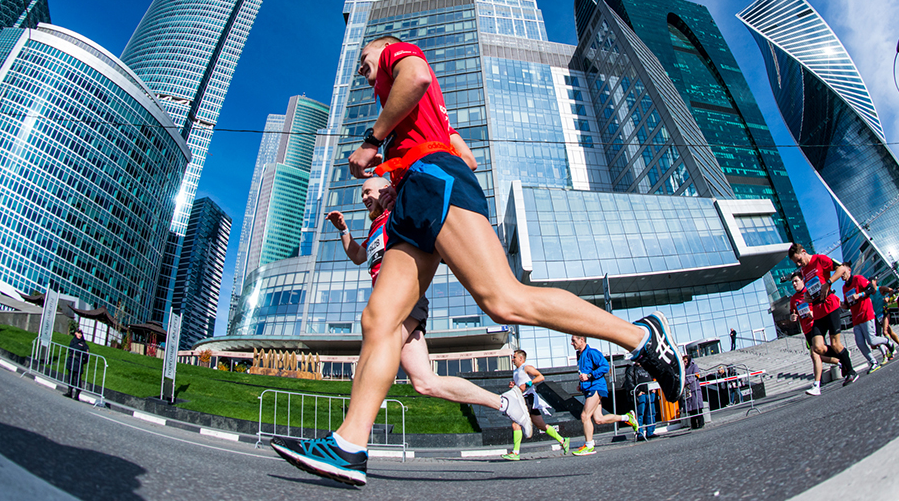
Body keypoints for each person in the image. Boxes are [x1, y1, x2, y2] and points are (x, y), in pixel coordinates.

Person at [271, 36, 683, 486]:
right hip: (417, 193)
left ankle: (642, 337)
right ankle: (349, 445)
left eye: (364, 63)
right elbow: (464, 152)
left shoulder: (398, 58)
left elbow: (419, 77)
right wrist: (401, 174)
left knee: (503, 301)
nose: (364, 73)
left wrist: (374, 142)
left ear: (383, 49)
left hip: (435, 183)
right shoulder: (423, 115)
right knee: (380, 319)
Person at [325, 175, 532, 440]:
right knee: (425, 383)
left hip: (404, 296)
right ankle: (506, 403)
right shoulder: (375, 227)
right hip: (390, 303)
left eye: (368, 192)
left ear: (385, 190)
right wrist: (343, 229)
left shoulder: (396, 215)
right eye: (362, 195)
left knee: (375, 351)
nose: (365, 198)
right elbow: (357, 255)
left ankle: (348, 439)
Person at [788, 243, 857, 386]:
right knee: (817, 348)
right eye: (796, 263)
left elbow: (841, 269)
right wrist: (807, 296)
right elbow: (812, 289)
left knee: (835, 344)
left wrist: (828, 282)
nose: (799, 264)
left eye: (799, 260)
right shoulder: (804, 271)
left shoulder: (819, 259)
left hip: (830, 306)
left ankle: (851, 371)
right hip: (818, 312)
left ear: (804, 252)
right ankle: (843, 356)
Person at [569, 335, 638, 455]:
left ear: (582, 340)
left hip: (596, 387)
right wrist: (581, 385)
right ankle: (627, 418)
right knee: (599, 419)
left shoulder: (592, 352)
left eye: (573, 341)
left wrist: (589, 376)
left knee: (585, 416)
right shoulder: (580, 356)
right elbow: (585, 372)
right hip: (588, 388)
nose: (571, 344)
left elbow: (605, 367)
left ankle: (589, 445)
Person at [501, 349, 570, 460]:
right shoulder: (515, 371)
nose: (512, 359)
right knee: (541, 425)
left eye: (514, 357)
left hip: (528, 398)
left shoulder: (526, 367)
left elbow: (540, 377)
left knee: (516, 423)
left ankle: (515, 452)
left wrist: (529, 383)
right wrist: (514, 384)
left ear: (521, 358)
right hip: (522, 398)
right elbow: (520, 384)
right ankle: (563, 440)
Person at [788, 270, 839, 396]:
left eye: (796, 281)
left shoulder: (809, 293)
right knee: (820, 356)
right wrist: (792, 317)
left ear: (802, 281)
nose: (794, 284)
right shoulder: (793, 299)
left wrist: (813, 314)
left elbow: (820, 305)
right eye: (792, 282)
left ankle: (817, 385)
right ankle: (841, 361)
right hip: (805, 330)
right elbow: (792, 313)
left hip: (815, 326)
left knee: (815, 355)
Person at [839, 262, 894, 373]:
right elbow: (847, 305)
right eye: (840, 273)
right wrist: (839, 304)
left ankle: (887, 341)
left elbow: (871, 289)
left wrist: (859, 295)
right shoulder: (844, 288)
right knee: (859, 343)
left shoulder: (858, 279)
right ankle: (873, 362)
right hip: (856, 319)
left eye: (843, 272)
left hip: (866, 314)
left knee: (872, 341)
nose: (841, 275)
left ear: (849, 270)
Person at [624, 361, 656, 440]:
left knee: (651, 413)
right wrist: (637, 392)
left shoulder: (647, 367)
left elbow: (653, 376)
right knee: (639, 414)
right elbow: (629, 382)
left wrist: (654, 387)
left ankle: (650, 432)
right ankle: (639, 433)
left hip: (650, 392)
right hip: (641, 394)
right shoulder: (632, 369)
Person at [875, 281, 899, 355]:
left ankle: (891, 349)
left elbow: (891, 290)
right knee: (889, 331)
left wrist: (888, 297)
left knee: (885, 331)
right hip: (878, 315)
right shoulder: (869, 294)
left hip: (885, 311)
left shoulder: (880, 289)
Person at [64, 327, 89, 400]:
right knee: (70, 377)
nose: (79, 335)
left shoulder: (83, 344)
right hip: (71, 360)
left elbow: (86, 355)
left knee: (77, 379)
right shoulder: (73, 341)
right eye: (78, 333)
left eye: (80, 334)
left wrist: (82, 361)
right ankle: (69, 392)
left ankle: (77, 395)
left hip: (78, 362)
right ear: (75, 333)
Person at [682, 355, 704, 429]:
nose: (684, 363)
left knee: (697, 407)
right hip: (688, 390)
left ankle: (701, 423)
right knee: (690, 409)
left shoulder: (694, 366)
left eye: (685, 361)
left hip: (695, 389)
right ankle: (693, 424)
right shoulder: (683, 369)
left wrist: (687, 381)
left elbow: (696, 375)